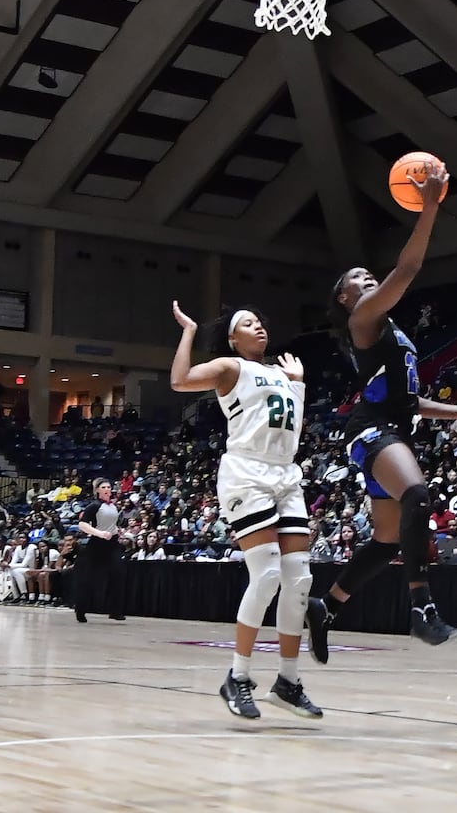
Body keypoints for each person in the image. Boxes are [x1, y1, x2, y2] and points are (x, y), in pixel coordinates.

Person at [309, 158, 457, 650]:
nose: (366, 277)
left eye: (368, 274)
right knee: (417, 496)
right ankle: (422, 607)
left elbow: (411, 402)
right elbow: (409, 267)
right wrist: (430, 205)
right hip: (371, 433)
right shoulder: (364, 321)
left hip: (393, 427)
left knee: (388, 540)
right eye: (357, 277)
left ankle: (325, 605)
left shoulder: (392, 332)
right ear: (346, 299)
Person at [170, 301, 323, 720]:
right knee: (269, 574)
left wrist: (298, 383)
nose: (258, 327)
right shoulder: (229, 367)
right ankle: (237, 677)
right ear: (233, 338)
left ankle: (288, 682)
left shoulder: (285, 374)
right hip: (247, 473)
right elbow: (180, 380)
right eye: (247, 324)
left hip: (285, 474)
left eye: (260, 322)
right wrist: (189, 332)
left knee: (300, 580)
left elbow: (290, 428)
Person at [74, 479, 128, 622]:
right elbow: (82, 525)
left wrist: (119, 531)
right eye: (103, 487)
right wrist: (100, 533)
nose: (107, 489)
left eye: (109, 487)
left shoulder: (113, 507)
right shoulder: (94, 506)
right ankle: (80, 610)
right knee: (89, 579)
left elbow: (111, 525)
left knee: (118, 575)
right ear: (97, 490)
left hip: (112, 544)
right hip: (97, 545)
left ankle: (115, 611)